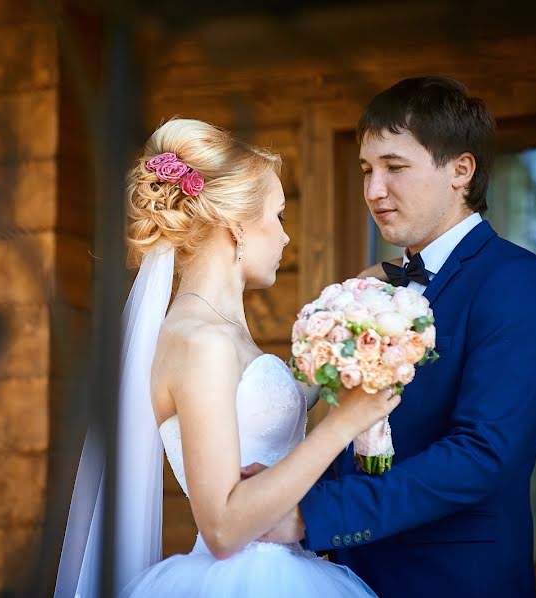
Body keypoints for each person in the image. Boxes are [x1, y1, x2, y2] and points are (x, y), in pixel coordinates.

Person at [249, 77, 536, 598]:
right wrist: (284, 487)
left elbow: (483, 454)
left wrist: (312, 513)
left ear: (460, 171)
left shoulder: (518, 282)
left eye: (395, 167)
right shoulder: (373, 284)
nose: (374, 190)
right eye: (366, 170)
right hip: (347, 577)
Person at [55, 117, 397, 597]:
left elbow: (267, 409)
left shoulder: (220, 331)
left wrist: (350, 304)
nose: (285, 238)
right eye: (278, 216)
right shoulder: (200, 340)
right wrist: (345, 422)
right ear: (236, 225)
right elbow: (223, 527)